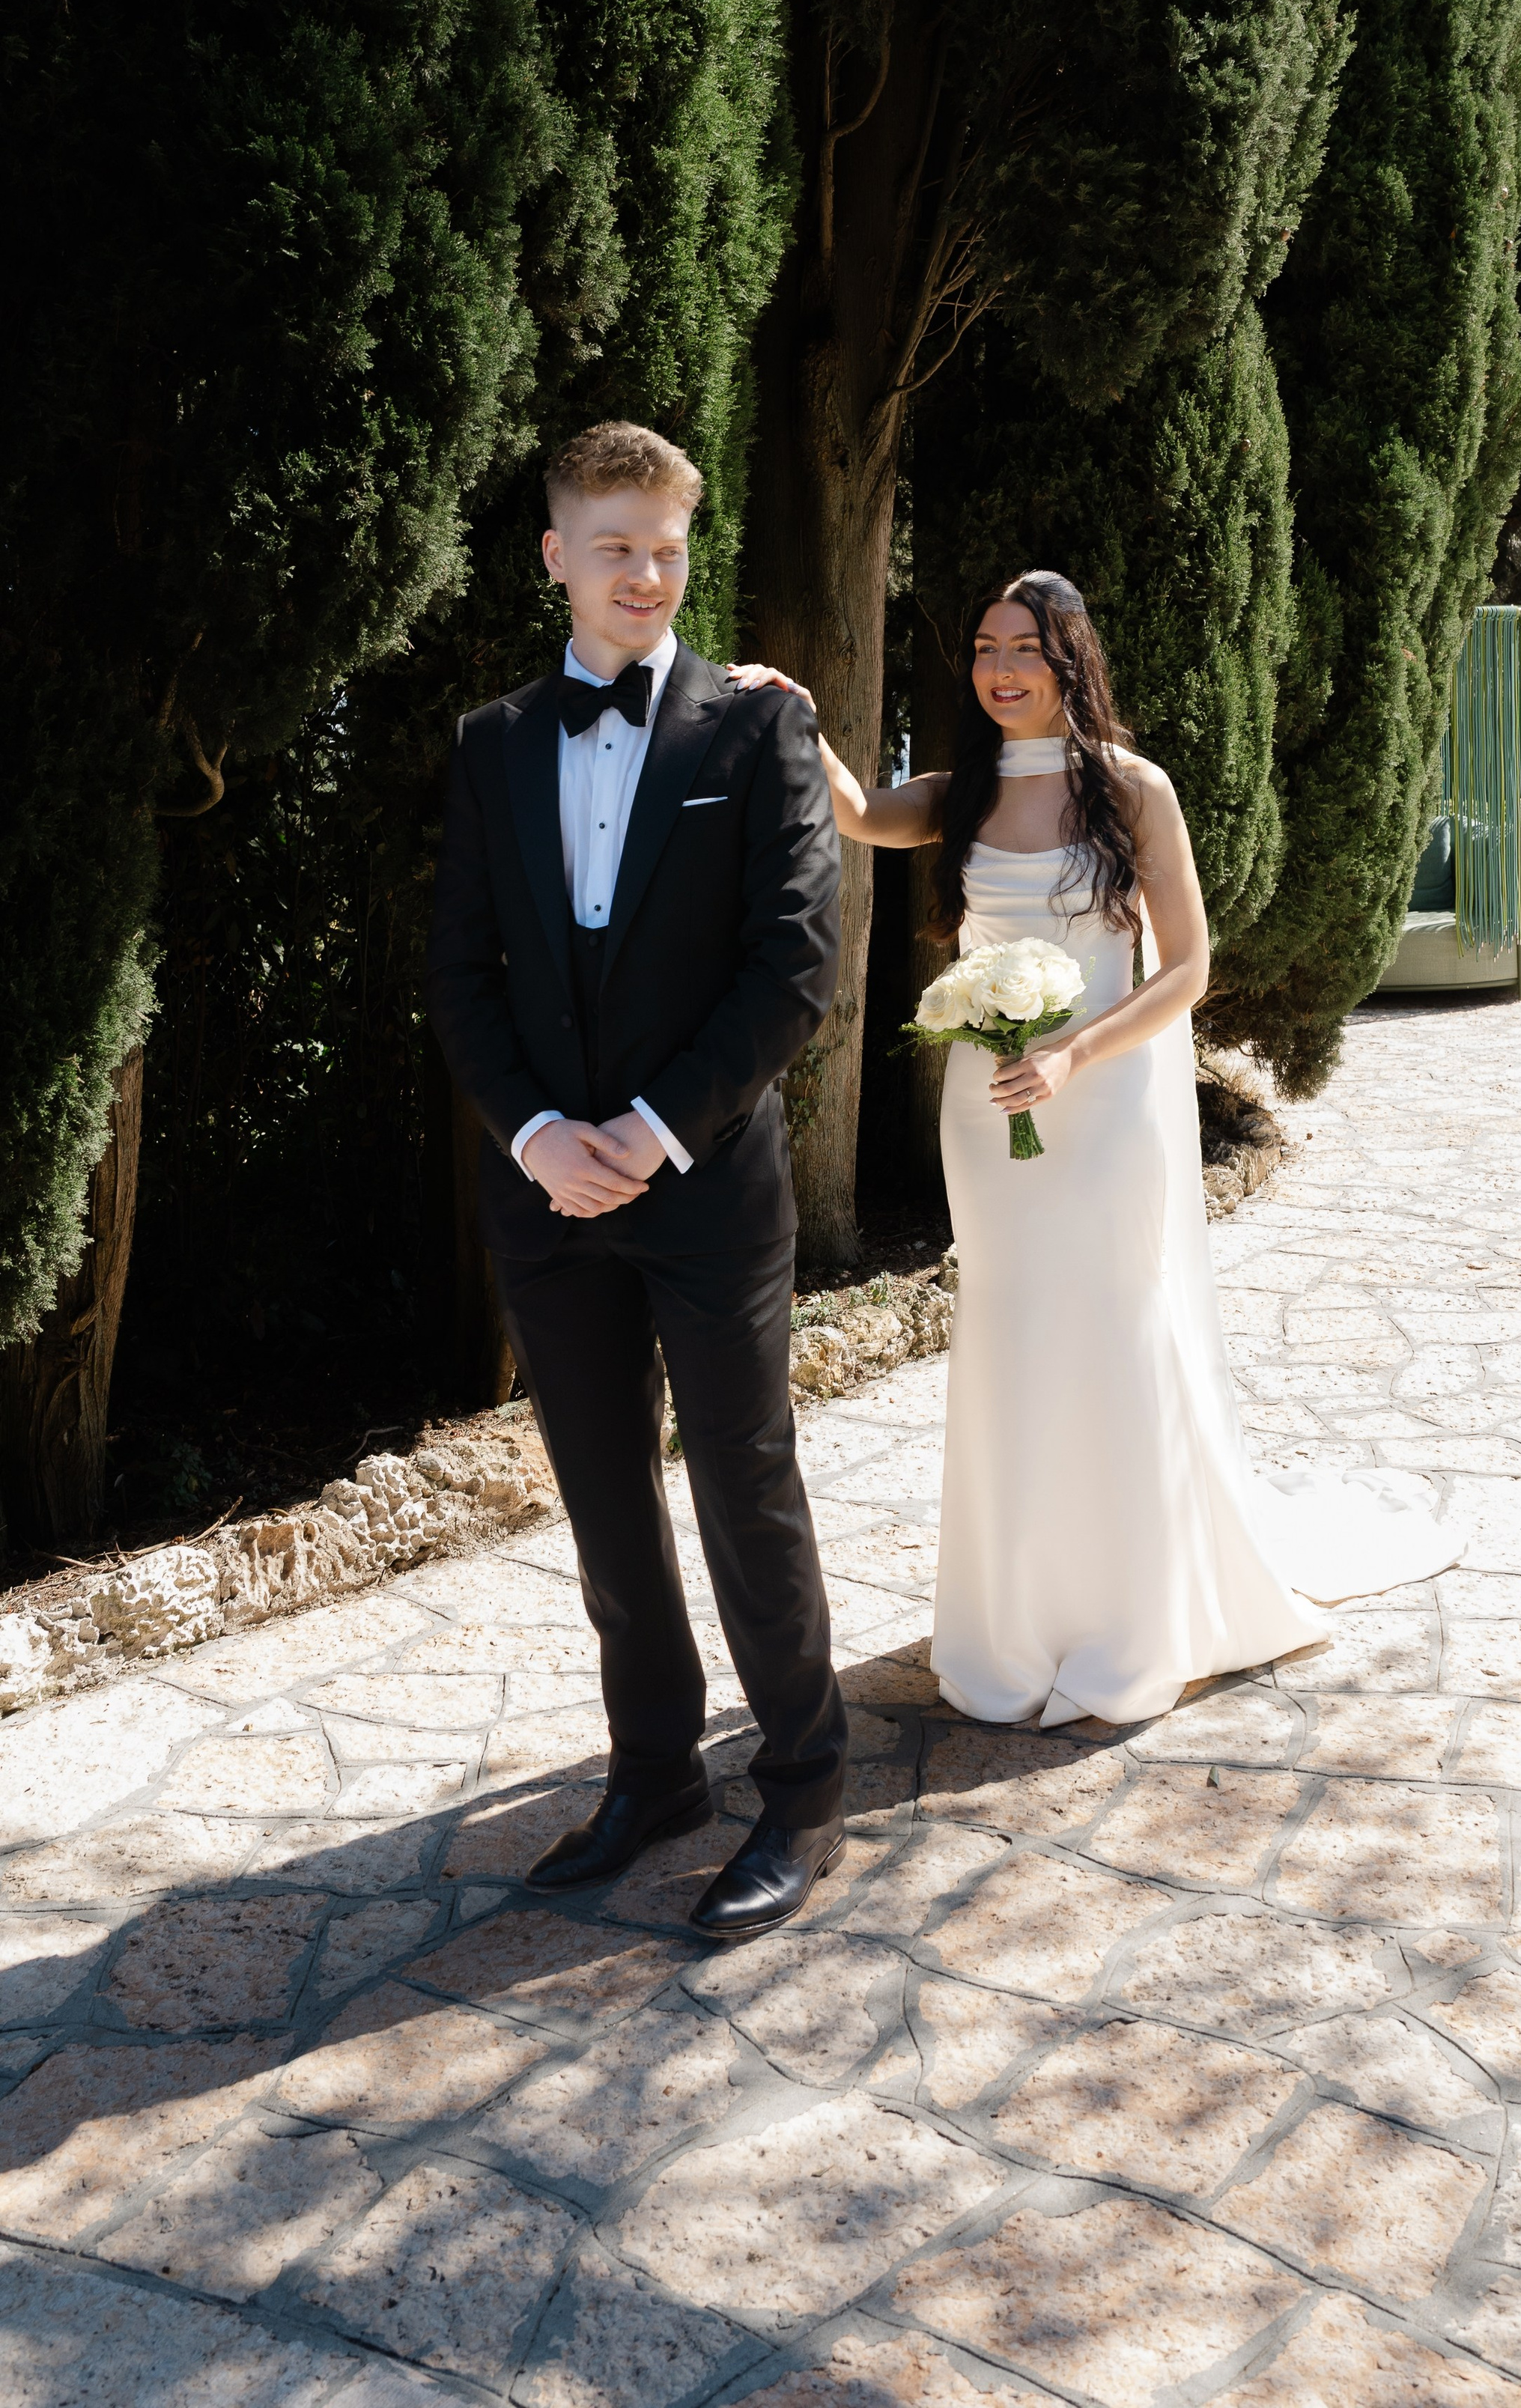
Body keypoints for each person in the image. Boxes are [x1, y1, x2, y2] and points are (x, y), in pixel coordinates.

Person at [732, 571, 1457, 1727]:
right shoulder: (963, 791)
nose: (1000, 667)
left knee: (1114, 1326)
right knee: (1014, 1334)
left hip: (1110, 1102)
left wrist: (1074, 1057)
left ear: (1072, 660)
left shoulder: (1133, 789)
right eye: (983, 647)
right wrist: (802, 715)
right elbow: (863, 817)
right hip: (988, 1102)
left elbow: (1186, 971)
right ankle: (1018, 1612)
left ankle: (1130, 1616)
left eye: (1025, 646)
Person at [426, 421, 849, 1939]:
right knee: (606, 1502)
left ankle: (802, 1795)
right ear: (556, 556)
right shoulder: (489, 745)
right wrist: (540, 1137)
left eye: (667, 548)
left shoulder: (756, 731)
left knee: (746, 1491)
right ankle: (656, 1774)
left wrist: (655, 1130)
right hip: (546, 1203)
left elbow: (793, 964)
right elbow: (460, 974)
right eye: (614, 547)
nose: (646, 575)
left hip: (707, 1187)